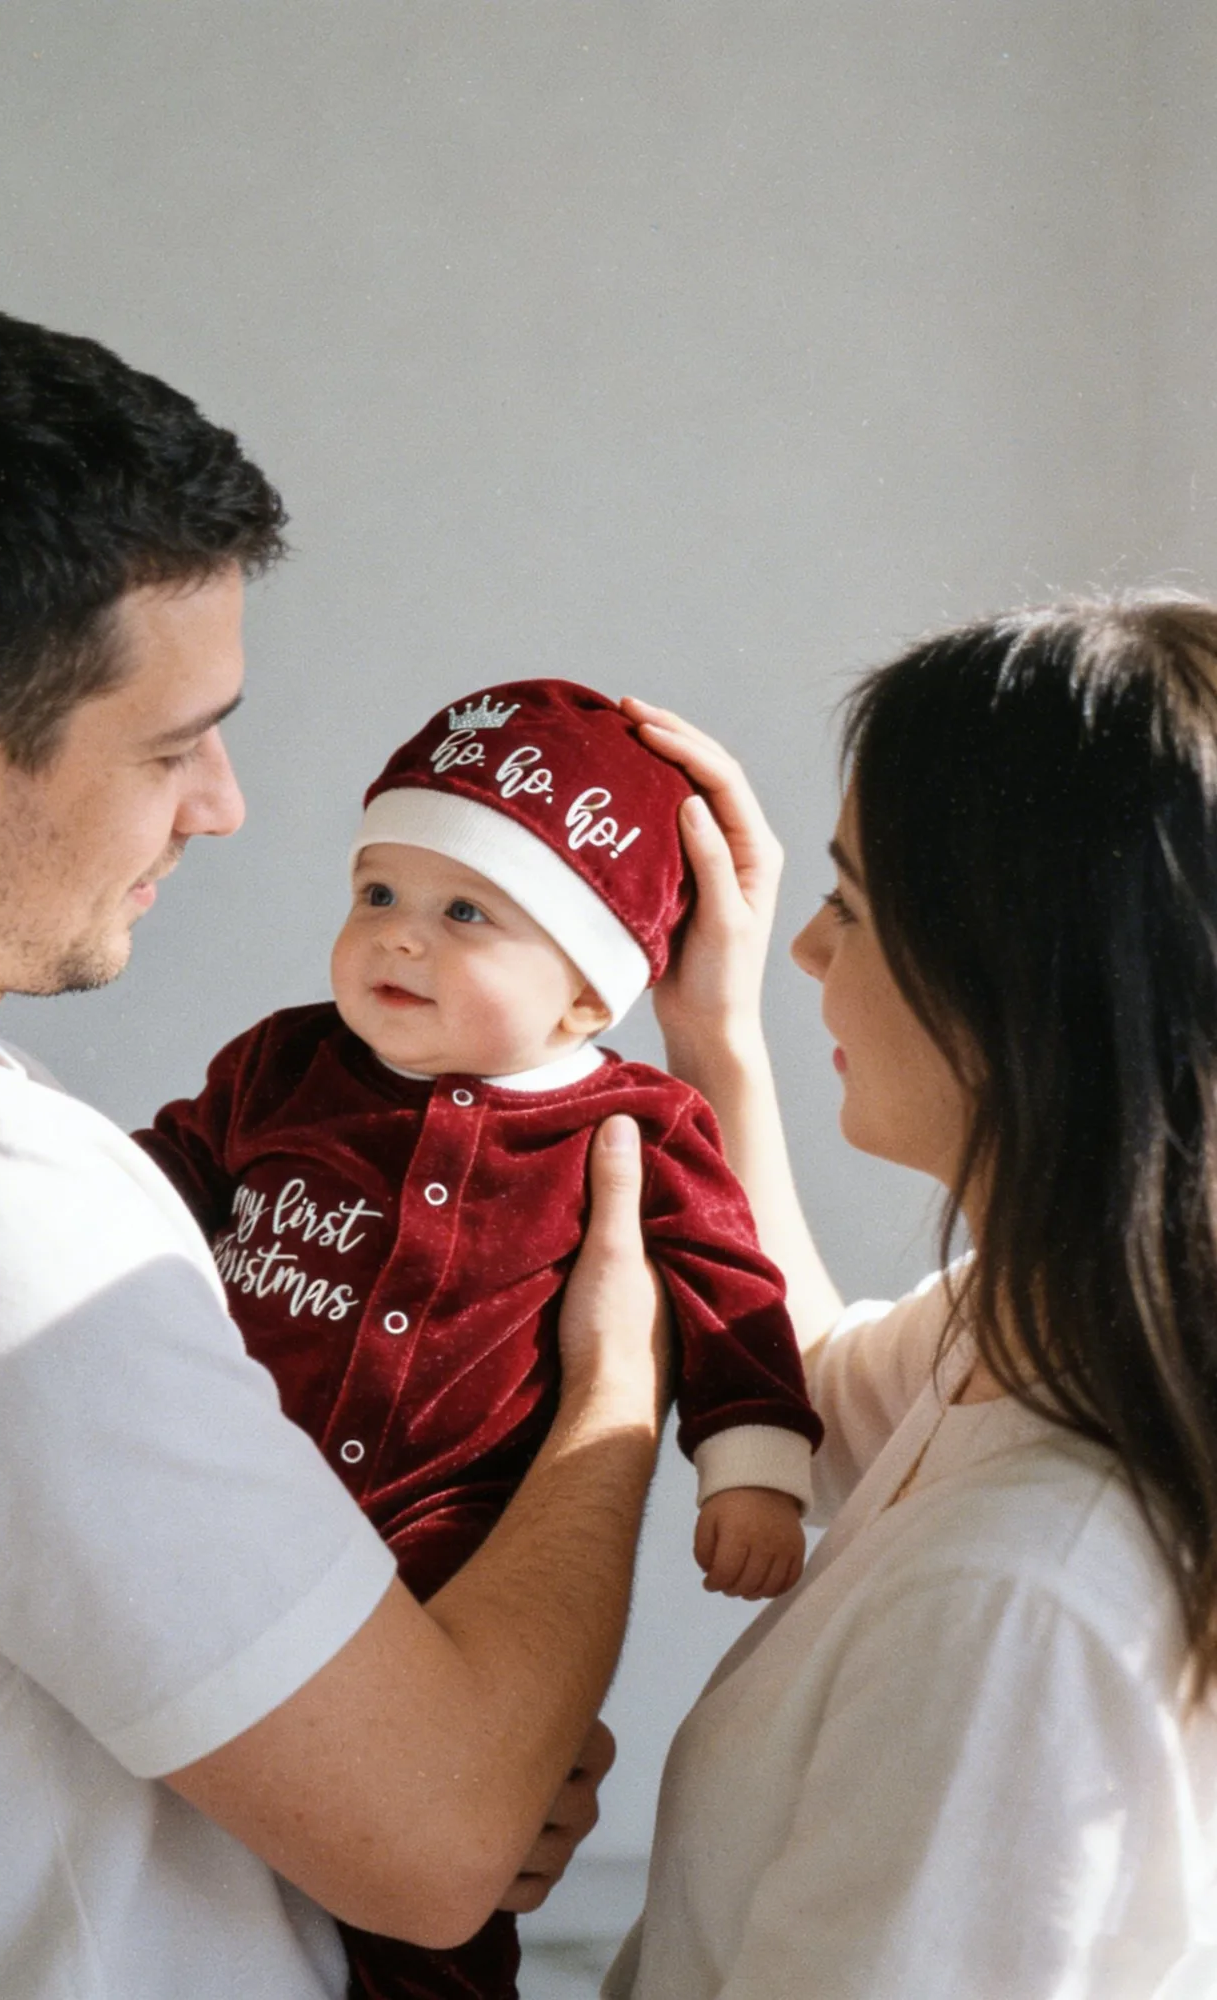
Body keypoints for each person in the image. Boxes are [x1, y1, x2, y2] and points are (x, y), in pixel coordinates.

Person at [0, 305, 665, 2000]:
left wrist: (417, 1719)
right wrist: (614, 1401)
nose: (225, 803)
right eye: (175, 744)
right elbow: (449, 1834)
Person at [136, 676, 823, 2000]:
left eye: (466, 914)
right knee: (231, 1816)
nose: (398, 940)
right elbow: (161, 1176)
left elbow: (728, 1288)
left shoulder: (634, 1124)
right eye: (376, 895)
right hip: (253, 1513)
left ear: (586, 991)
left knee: (443, 1909)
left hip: (461, 1552)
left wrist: (752, 1465)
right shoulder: (282, 1066)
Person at [605, 598, 1217, 2000]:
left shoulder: (1019, 1609)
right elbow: (823, 1397)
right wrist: (709, 1039)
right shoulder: (1061, 1327)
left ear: (1020, 981)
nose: (807, 955)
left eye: (850, 902)